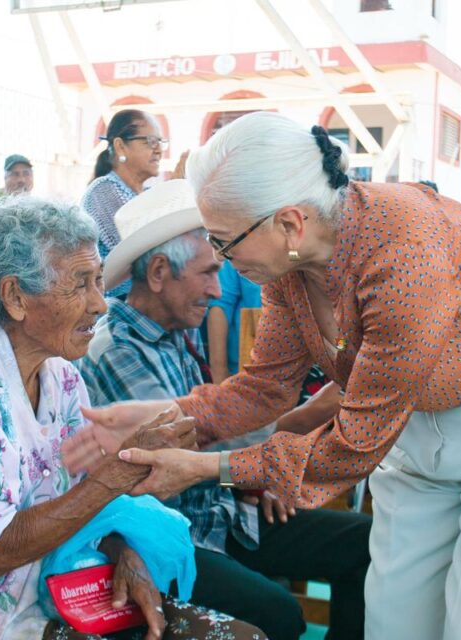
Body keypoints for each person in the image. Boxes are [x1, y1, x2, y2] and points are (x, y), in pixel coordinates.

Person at [69, 112, 461, 640]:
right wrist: (169, 414)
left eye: (225, 241)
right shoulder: (292, 263)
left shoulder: (408, 258)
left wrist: (203, 468)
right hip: (420, 431)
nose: (224, 262)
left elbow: (352, 446)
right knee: (394, 621)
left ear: (289, 222)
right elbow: (267, 387)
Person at [0, 197, 262, 640]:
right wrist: (120, 472)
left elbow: (79, 504)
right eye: (80, 284)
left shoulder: (60, 374)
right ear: (16, 297)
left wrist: (121, 548)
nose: (100, 304)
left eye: (98, 281)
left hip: (54, 585)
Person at [78, 181, 372, 640]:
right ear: (158, 272)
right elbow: (179, 446)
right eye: (208, 273)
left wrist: (253, 476)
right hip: (167, 535)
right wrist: (299, 425)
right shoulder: (117, 348)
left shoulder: (174, 333)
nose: (218, 291)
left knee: (365, 543)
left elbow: (214, 433)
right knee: (279, 614)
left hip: (219, 511)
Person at [82, 109, 168, 298]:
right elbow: (143, 254)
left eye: (160, 142)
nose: (159, 150)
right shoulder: (103, 191)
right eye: (150, 141)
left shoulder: (147, 194)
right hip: (117, 314)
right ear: (120, 146)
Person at [205, 260, 262, 383]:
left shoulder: (296, 250)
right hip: (243, 367)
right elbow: (220, 304)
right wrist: (219, 372)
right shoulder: (236, 249)